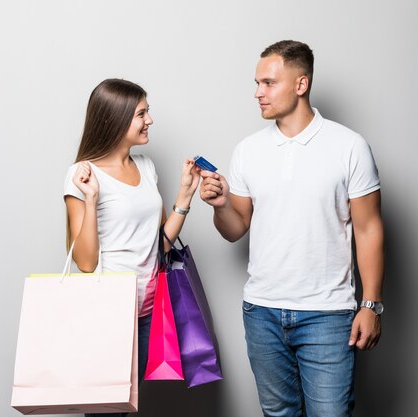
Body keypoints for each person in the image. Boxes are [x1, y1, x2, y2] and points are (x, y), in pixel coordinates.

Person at [199, 40, 384, 417]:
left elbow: (368, 229)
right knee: (278, 414)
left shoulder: (349, 146)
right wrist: (220, 206)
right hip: (262, 312)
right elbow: (236, 229)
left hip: (328, 315)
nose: (257, 93)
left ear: (301, 85)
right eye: (256, 83)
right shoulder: (248, 150)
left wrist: (371, 304)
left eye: (268, 83)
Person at [64, 78, 200, 417]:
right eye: (142, 114)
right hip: (108, 313)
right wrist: (92, 198)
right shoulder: (81, 175)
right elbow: (84, 261)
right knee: (107, 413)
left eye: (147, 112)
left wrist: (184, 195)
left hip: (148, 312)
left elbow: (160, 246)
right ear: (116, 119)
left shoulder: (146, 167)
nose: (150, 120)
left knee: (124, 410)